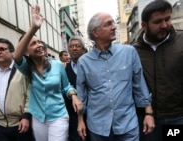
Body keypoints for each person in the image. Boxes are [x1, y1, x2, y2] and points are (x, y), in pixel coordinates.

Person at [76, 12, 154, 141]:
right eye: (108, 24)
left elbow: (139, 84)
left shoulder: (129, 52)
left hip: (128, 124)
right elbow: (82, 95)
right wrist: (80, 120)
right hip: (98, 127)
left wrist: (149, 113)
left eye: (113, 23)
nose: (114, 27)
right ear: (95, 32)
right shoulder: (84, 61)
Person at [13, 4, 83, 141]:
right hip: (38, 117)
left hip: (59, 116)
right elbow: (16, 56)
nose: (39, 45)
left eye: (39, 42)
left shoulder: (57, 65)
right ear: (26, 51)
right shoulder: (26, 68)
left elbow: (66, 86)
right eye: (33, 44)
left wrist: (74, 96)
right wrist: (33, 27)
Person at [133, 0, 183, 140]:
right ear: (144, 25)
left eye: (167, 19)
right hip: (148, 121)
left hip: (177, 118)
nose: (164, 25)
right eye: (158, 22)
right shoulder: (134, 52)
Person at [0, 38, 32, 141]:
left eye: (2, 49)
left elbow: (30, 95)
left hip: (21, 124)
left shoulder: (22, 70)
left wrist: (26, 116)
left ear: (12, 52)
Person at [64, 36, 89, 141]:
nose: (74, 48)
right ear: (68, 49)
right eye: (72, 46)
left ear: (83, 49)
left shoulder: (90, 66)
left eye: (78, 46)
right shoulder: (64, 69)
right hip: (72, 115)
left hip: (91, 113)